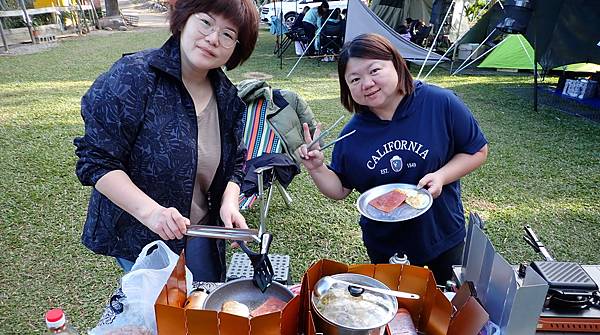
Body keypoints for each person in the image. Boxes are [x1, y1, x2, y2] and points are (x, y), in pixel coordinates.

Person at [74, 0, 260, 281]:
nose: (213, 39)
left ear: (236, 48)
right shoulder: (133, 76)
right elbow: (96, 160)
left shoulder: (228, 99)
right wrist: (152, 213)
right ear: (184, 19)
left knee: (201, 304)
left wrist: (229, 203)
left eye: (228, 34)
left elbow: (236, 161)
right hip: (142, 234)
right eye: (206, 22)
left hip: (201, 230)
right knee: (162, 313)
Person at [297, 33, 488, 284]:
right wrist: (317, 168)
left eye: (374, 70)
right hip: (386, 246)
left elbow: (477, 150)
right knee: (399, 313)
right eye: (354, 79)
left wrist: (442, 176)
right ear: (347, 88)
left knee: (451, 306)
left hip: (442, 235)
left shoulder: (440, 103)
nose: (366, 83)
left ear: (397, 64)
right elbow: (340, 188)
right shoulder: (353, 134)